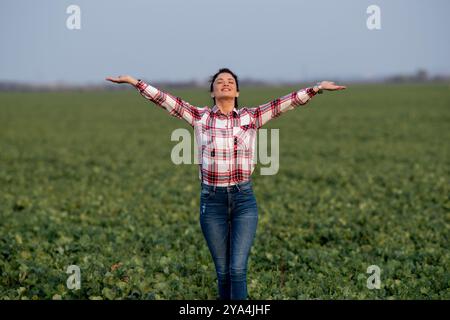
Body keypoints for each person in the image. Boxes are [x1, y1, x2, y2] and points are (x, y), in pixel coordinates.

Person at [106, 68, 346, 300]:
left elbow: (285, 102)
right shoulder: (201, 117)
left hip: (244, 200)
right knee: (223, 272)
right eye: (220, 81)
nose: (226, 83)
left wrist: (316, 88)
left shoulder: (250, 117)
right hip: (212, 202)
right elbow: (166, 100)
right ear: (212, 92)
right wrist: (134, 82)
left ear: (238, 92)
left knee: (237, 269)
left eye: (231, 81)